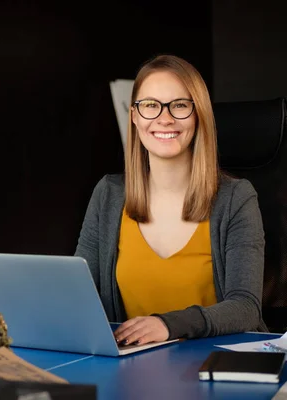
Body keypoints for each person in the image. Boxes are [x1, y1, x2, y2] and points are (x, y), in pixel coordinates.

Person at [75, 54, 268, 346]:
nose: (164, 118)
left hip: (217, 364)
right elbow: (78, 293)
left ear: (198, 114)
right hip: (131, 368)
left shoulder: (236, 198)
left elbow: (245, 308)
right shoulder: (109, 194)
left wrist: (168, 324)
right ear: (134, 116)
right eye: (150, 105)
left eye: (179, 105)